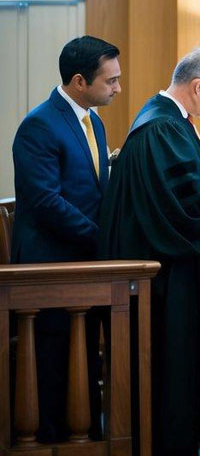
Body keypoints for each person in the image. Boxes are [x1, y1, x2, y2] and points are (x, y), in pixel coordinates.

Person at [97, 48, 200, 455]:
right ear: (198, 86)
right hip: (163, 272)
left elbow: (185, 174)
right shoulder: (162, 126)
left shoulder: (168, 119)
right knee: (170, 365)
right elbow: (188, 197)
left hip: (165, 262)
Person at [11, 35, 121, 442]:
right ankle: (53, 440)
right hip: (49, 263)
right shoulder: (40, 124)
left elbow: (97, 188)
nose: (117, 88)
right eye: (110, 81)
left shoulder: (94, 121)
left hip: (85, 261)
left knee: (86, 355)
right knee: (55, 358)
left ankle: (88, 434)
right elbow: (45, 201)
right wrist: (101, 238)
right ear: (79, 81)